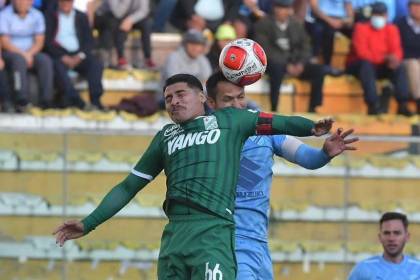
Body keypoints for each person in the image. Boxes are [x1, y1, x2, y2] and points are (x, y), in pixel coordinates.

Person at [53, 73, 334, 279]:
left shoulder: (233, 120)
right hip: (177, 234)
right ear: (213, 100)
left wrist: (313, 129)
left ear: (202, 98)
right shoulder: (165, 136)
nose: (174, 102)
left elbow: (282, 123)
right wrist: (88, 223)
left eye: (180, 94)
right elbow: (129, 186)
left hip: (219, 233)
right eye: (168, 99)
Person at [206, 71, 359, 280]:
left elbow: (307, 157)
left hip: (259, 243)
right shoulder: (203, 137)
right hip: (227, 241)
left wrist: (324, 154)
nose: (236, 106)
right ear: (211, 103)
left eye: (240, 97)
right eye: (227, 100)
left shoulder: (265, 130)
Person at [254, 0, 329, 112]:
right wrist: (286, 65)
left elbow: (306, 46)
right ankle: (274, 107)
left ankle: (313, 107)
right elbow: (264, 50)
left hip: (295, 63)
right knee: (276, 69)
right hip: (274, 63)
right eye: (282, 8)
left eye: (287, 8)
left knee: (319, 70)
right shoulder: (263, 24)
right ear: (275, 9)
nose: (285, 11)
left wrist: (301, 63)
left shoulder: (296, 24)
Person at [346, 1, 414, 116]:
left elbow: (397, 50)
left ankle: (402, 104)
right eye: (376, 14)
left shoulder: (391, 29)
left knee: (399, 67)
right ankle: (373, 104)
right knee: (366, 65)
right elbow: (362, 53)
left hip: (381, 65)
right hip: (358, 65)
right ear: (371, 15)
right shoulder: (361, 28)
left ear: (386, 16)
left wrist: (394, 59)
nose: (378, 18)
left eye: (381, 15)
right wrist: (385, 58)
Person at [44, 0, 104, 110]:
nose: (66, 4)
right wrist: (62, 56)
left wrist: (80, 55)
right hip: (60, 55)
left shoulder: (81, 16)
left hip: (79, 54)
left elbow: (89, 40)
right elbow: (47, 41)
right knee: (56, 65)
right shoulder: (50, 16)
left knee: (96, 64)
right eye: (63, 2)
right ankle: (77, 101)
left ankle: (96, 101)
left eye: (68, 2)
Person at [0, 0, 54, 111]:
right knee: (18, 60)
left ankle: (46, 101)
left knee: (45, 60)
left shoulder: (37, 15)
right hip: (11, 52)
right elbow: (4, 41)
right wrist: (23, 55)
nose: (21, 3)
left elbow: (39, 41)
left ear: (31, 2)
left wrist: (29, 54)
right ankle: (21, 100)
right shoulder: (4, 14)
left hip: (31, 52)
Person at [348, 212, 420, 279]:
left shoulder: (417, 268)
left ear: (407, 237)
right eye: (386, 233)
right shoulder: (363, 269)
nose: (391, 238)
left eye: (397, 233)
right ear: (380, 237)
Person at [94, 0, 155, 69]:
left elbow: (144, 10)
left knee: (146, 24)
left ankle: (148, 58)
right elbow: (118, 13)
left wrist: (130, 20)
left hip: (131, 17)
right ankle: (120, 58)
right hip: (109, 16)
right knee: (116, 24)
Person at [396, 0, 420, 114]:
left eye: (419, 6)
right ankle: (418, 99)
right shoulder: (399, 24)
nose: (417, 9)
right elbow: (396, 46)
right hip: (405, 59)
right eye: (414, 5)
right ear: (409, 7)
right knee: (413, 64)